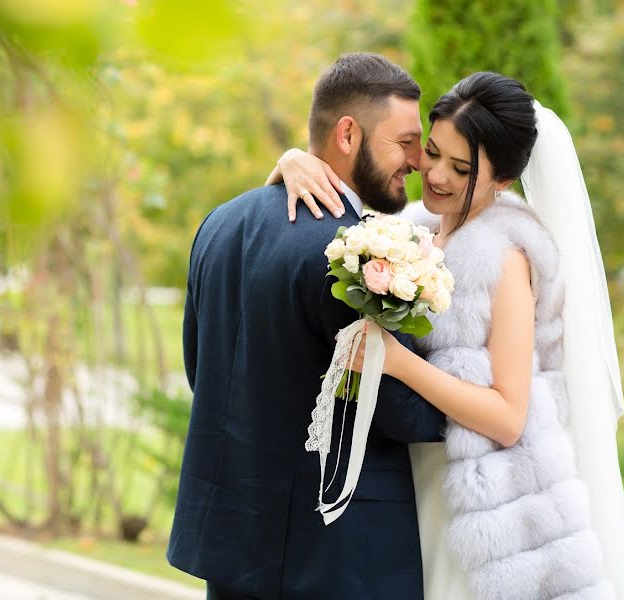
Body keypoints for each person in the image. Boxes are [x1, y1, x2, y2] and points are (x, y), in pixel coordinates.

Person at [274, 72, 624, 599]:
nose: (436, 175)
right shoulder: (418, 231)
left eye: (462, 167)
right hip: (422, 483)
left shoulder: (505, 258)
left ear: (505, 180)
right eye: (432, 151)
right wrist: (291, 160)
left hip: (490, 511)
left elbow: (509, 417)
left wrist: (399, 363)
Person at [167, 53, 448, 600]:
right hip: (338, 556)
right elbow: (401, 412)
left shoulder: (220, 223)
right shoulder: (355, 257)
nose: (417, 161)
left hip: (235, 545)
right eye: (405, 142)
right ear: (348, 134)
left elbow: (200, 368)